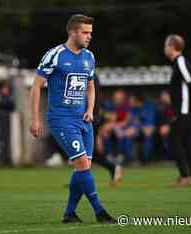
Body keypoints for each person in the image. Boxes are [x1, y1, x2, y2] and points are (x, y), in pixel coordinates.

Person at [29, 14, 116, 224]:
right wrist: (34, 119)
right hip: (61, 119)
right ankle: (100, 211)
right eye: (85, 33)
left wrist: (90, 110)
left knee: (82, 166)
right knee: (82, 164)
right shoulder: (55, 55)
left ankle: (69, 214)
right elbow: (36, 86)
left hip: (83, 120)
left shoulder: (89, 57)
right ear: (72, 32)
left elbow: (90, 85)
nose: (89, 37)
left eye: (91, 33)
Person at [164, 34, 191, 187]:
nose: (165, 49)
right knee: (187, 142)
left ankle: (185, 176)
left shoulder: (181, 61)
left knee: (175, 141)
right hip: (183, 111)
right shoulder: (177, 63)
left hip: (184, 111)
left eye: (166, 46)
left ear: (172, 47)